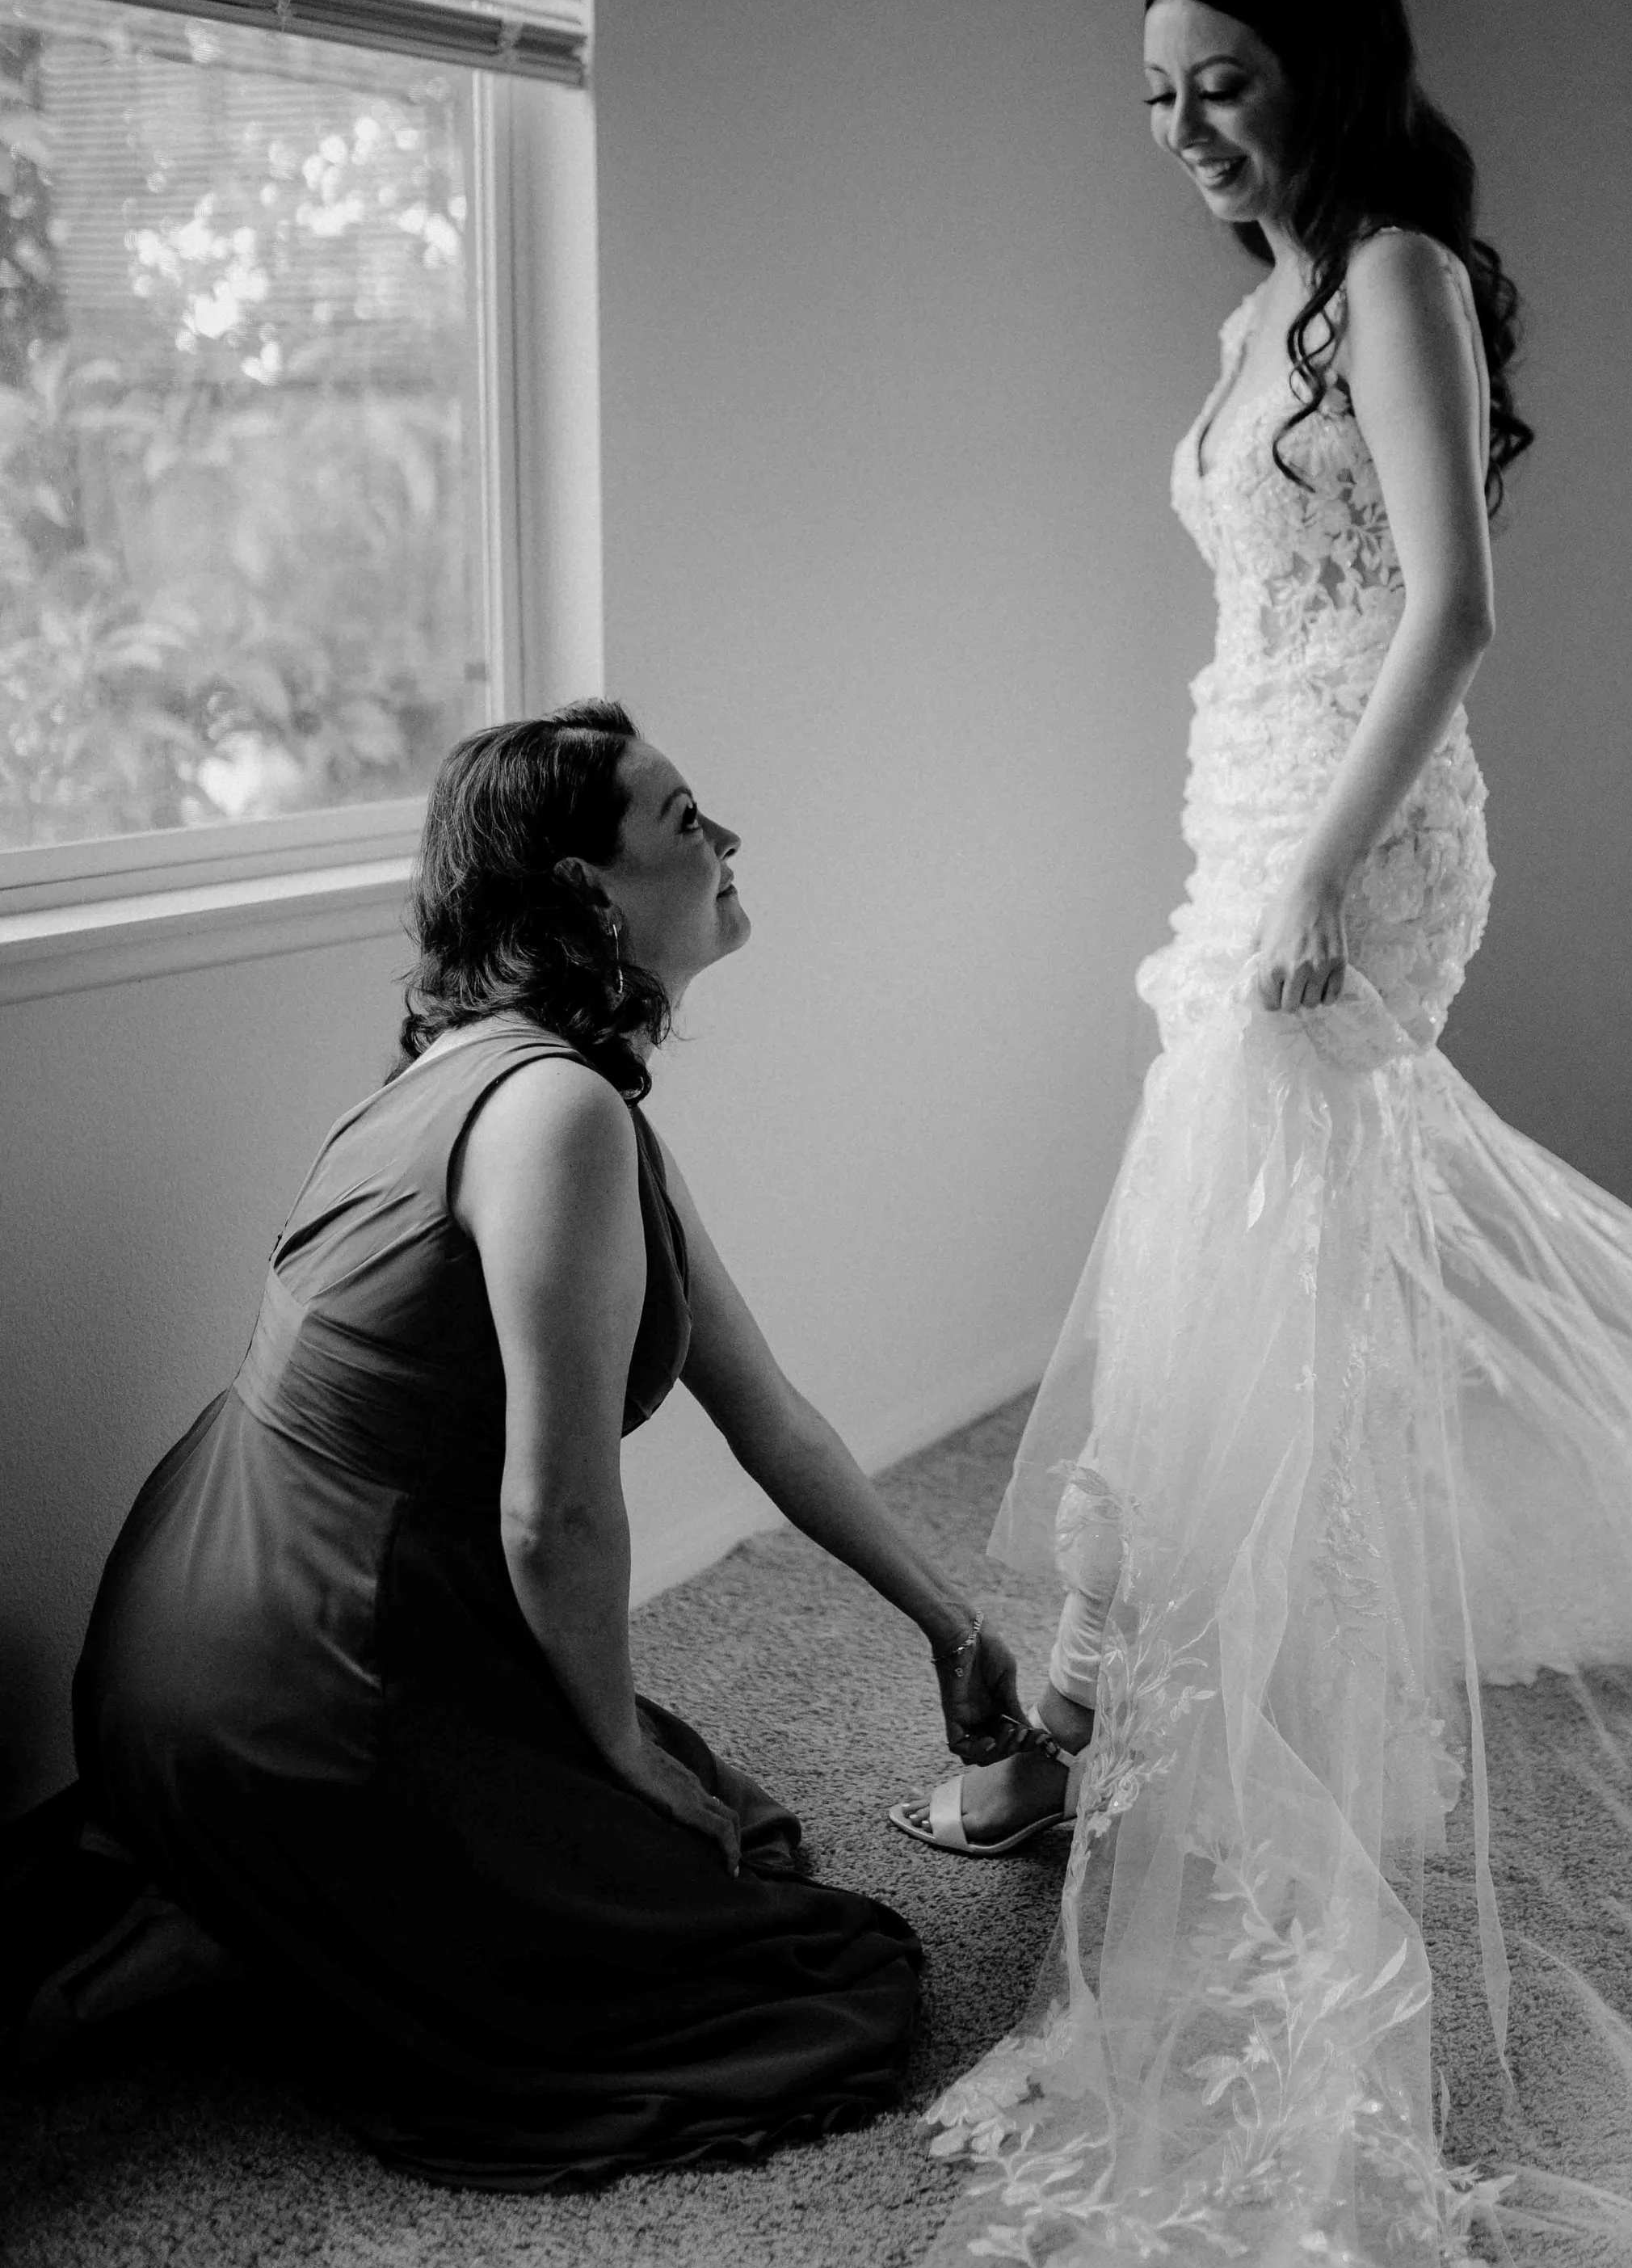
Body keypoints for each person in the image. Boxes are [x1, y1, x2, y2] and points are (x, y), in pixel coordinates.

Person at [869, 0, 1632, 2268]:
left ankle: (1213, 1736)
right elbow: (1254, 614)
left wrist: (1303, 870)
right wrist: (1227, 835)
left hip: (1351, 835)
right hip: (1250, 811)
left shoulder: (1394, 267)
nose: (1182, 129)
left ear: (1324, 63)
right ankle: (1165, 1696)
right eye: (1157, 89)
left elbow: (1450, 604)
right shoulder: (1241, 307)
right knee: (1232, 1253)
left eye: (1223, 80)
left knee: (1253, 1229)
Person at [71, 699, 1025, 2189]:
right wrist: (616, 1746)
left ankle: (246, 1897)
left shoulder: (510, 1074)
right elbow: (555, 1523)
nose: (726, 843)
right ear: (586, 893)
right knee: (776, 1962)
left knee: (713, 1817)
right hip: (298, 1671)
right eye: (686, 821)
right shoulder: (558, 1111)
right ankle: (235, 1919)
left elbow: (765, 1407)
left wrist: (948, 1619)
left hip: (185, 1622)